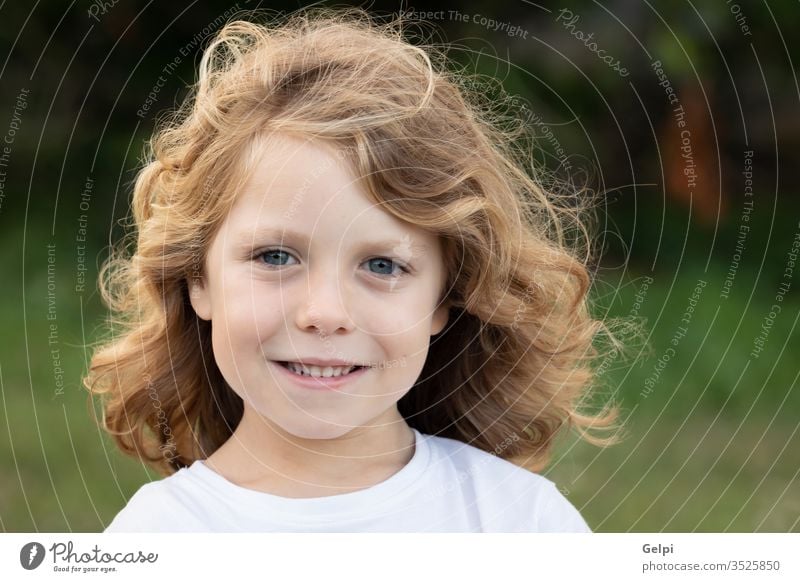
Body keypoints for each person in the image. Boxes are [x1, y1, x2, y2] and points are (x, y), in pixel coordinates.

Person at [85, 7, 631, 533]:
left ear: (444, 297)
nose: (325, 314)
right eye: (275, 257)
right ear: (197, 278)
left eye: (381, 264)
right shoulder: (156, 538)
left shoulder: (521, 522)